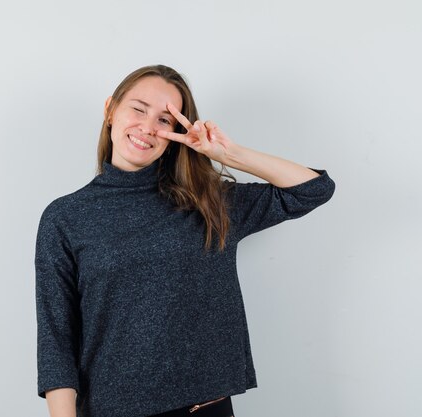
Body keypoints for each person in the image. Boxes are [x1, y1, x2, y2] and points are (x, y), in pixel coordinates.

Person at [35, 65, 335, 417]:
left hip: (204, 409)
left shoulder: (208, 202)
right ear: (110, 110)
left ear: (177, 131)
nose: (148, 127)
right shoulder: (66, 217)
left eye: (165, 120)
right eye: (138, 108)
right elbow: (56, 340)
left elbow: (313, 189)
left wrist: (227, 154)